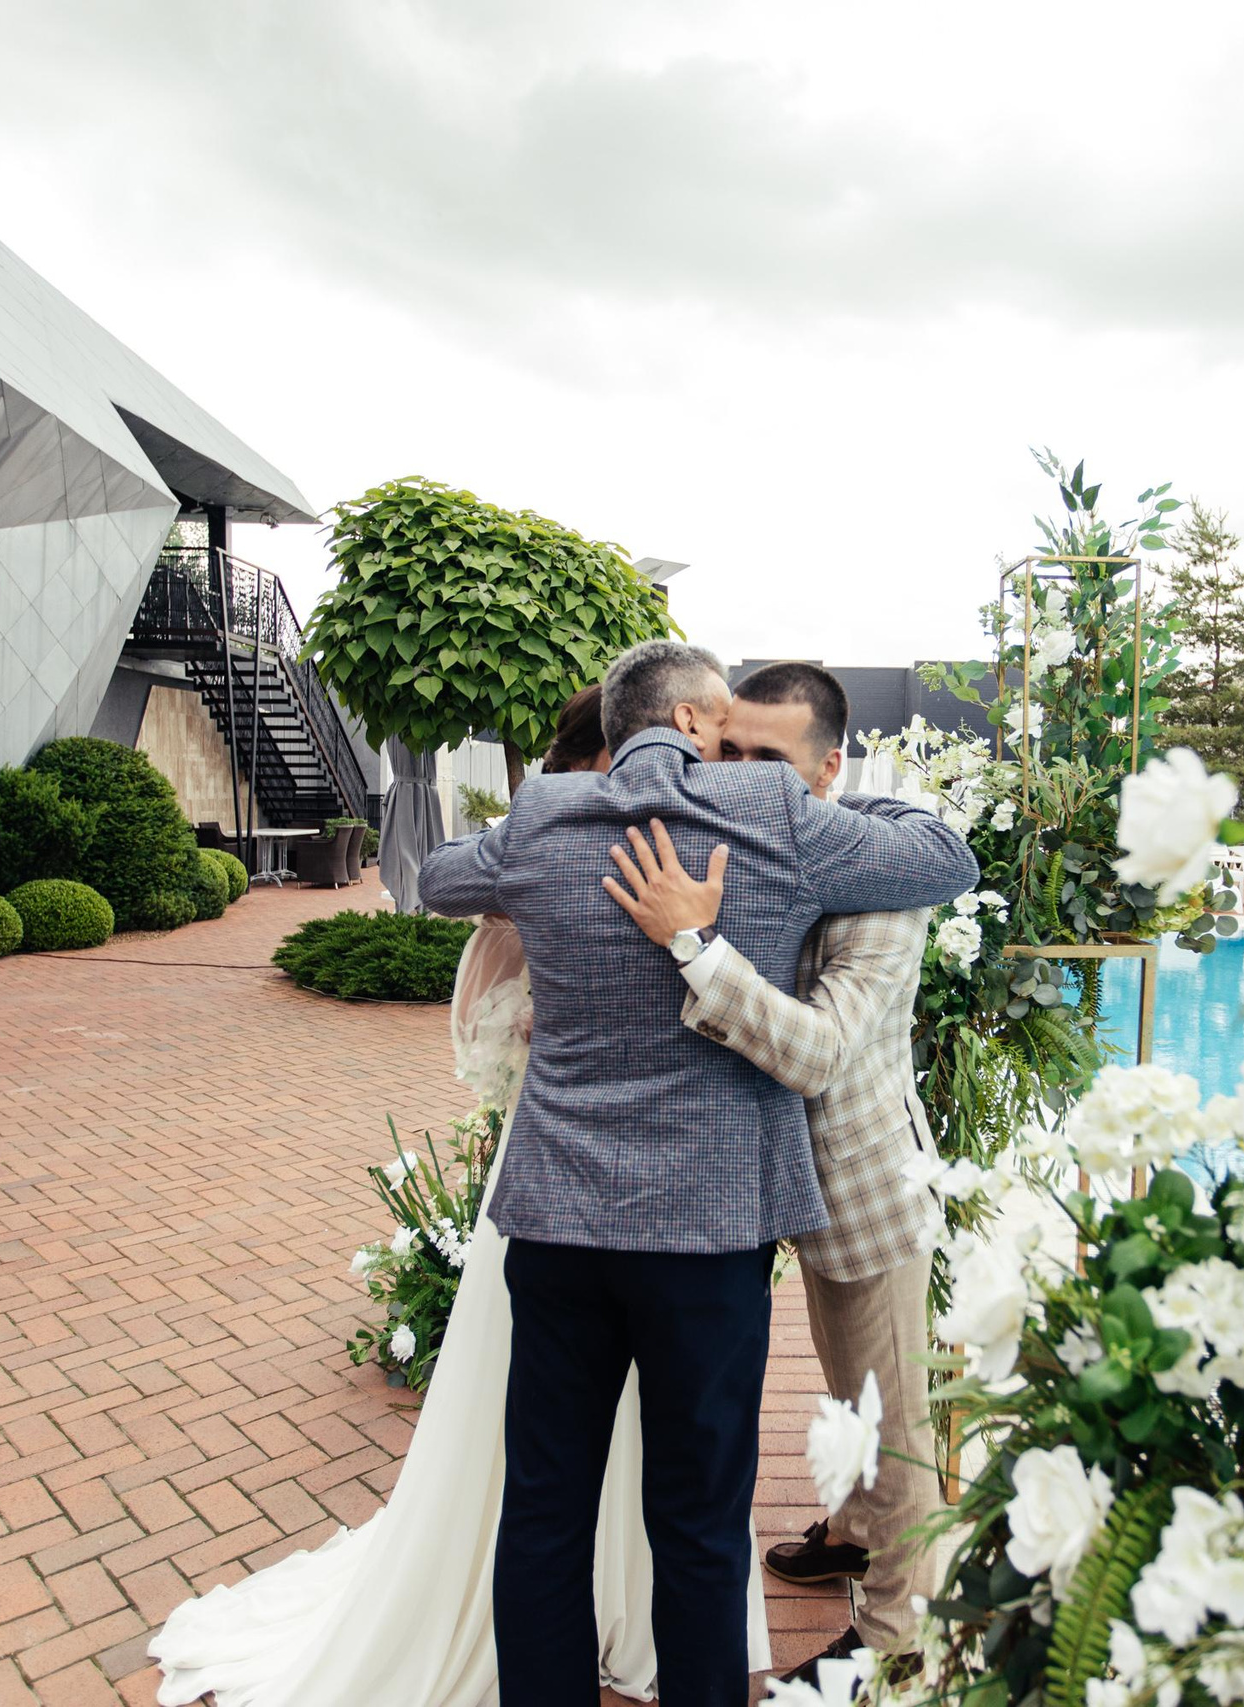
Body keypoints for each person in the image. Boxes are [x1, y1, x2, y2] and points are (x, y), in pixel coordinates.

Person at [150, 680, 772, 1706]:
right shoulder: (552, 842)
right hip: (589, 1208)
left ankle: (629, 1644)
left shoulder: (673, 838)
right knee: (581, 1491)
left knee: (599, 1494)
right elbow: (490, 1008)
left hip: (602, 1210)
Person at [419, 641, 976, 1707]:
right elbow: (946, 861)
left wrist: (540, 844)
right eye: (717, 724)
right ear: (683, 721)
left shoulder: (545, 818)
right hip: (705, 1234)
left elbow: (438, 879)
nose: (727, 746)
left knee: (542, 1510)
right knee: (701, 1522)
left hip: (556, 1226)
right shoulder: (769, 814)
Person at [602, 662, 946, 1682]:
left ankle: (900, 1643)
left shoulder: (889, 880)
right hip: (761, 1182)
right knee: (847, 1400)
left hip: (863, 1185)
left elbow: (817, 1053)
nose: (737, 780)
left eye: (766, 762)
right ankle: (847, 1532)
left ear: (829, 770)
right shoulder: (746, 844)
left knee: (891, 1422)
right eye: (728, 753)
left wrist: (695, 950)